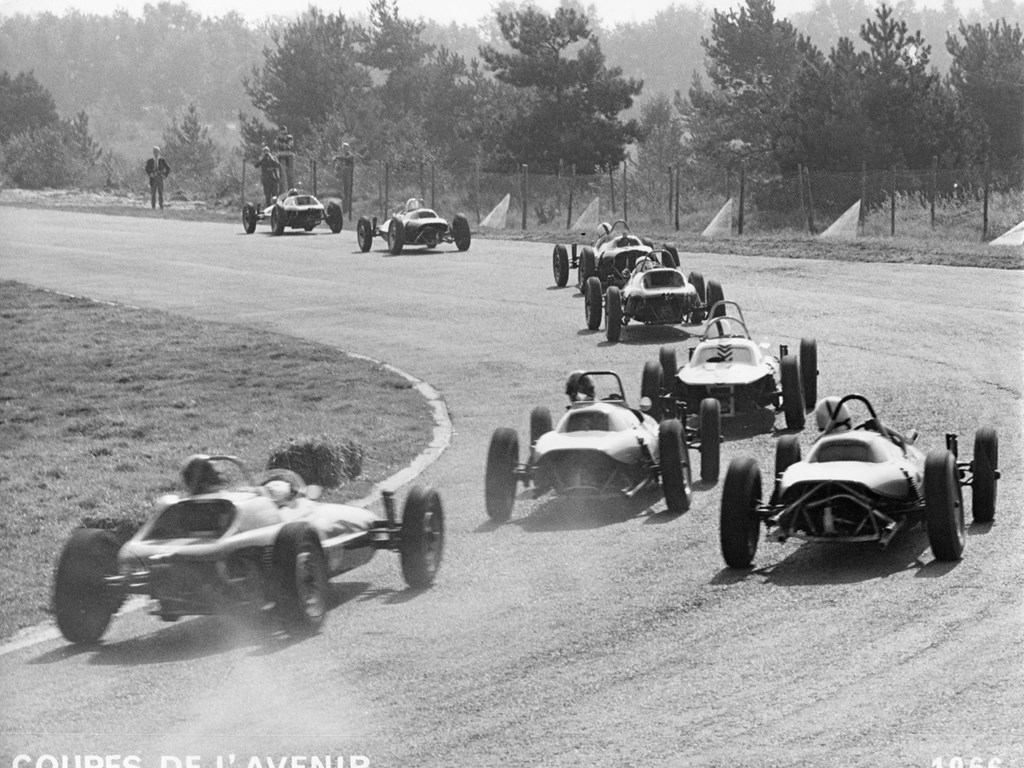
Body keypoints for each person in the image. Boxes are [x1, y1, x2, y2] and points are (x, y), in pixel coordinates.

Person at [332, 142, 355, 215]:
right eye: (343, 148)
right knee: (343, 193)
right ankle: (344, 209)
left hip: (348, 177)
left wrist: (337, 157)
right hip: (343, 177)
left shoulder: (350, 156)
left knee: (347, 192)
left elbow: (346, 159)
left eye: (346, 148)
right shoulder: (342, 158)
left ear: (348, 148)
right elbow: (339, 167)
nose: (344, 149)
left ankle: (348, 209)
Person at [274, 125, 295, 193]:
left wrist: (283, 142)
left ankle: (291, 190)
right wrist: (282, 143)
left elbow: (289, 146)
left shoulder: (290, 138)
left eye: (285, 133)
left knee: (290, 175)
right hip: (280, 157)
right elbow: (276, 145)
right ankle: (281, 191)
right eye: (282, 133)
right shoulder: (278, 139)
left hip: (289, 157)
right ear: (280, 133)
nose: (284, 135)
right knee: (281, 175)